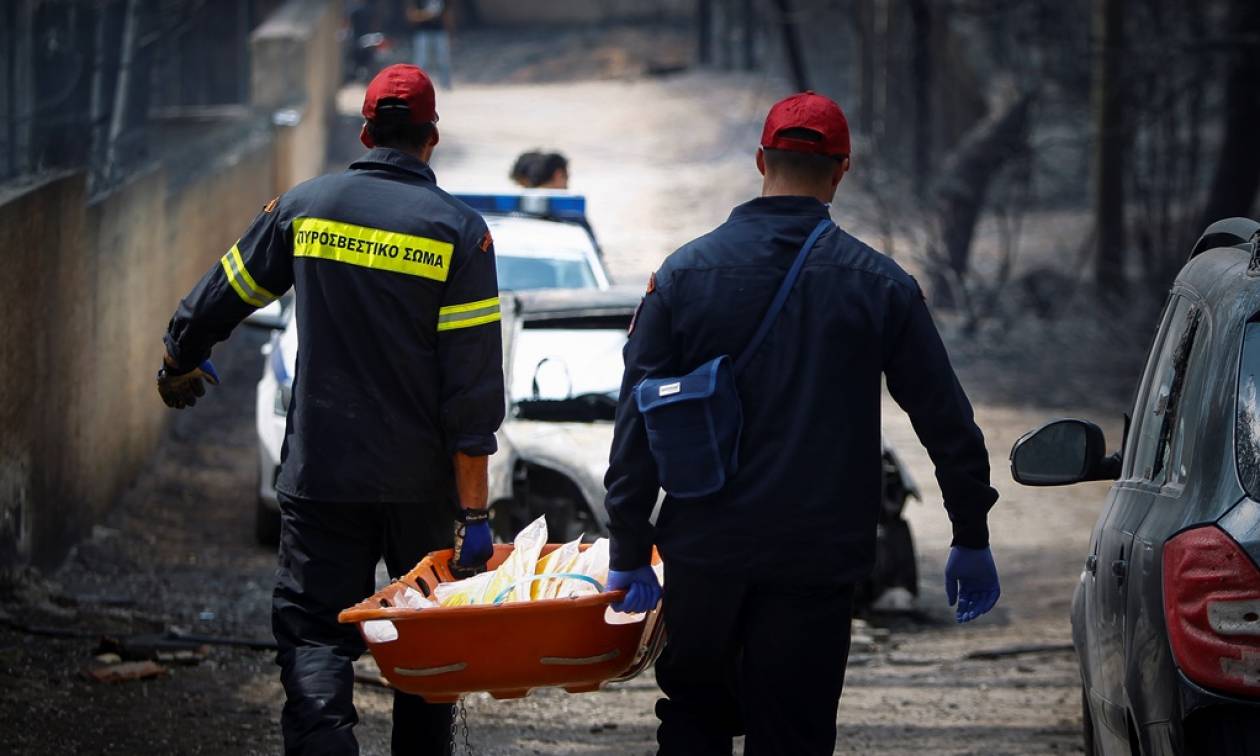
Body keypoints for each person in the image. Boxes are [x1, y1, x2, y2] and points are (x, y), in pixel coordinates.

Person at [602, 91, 1001, 754]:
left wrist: (627, 543)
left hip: (705, 554)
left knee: (695, 717)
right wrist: (970, 532)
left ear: (761, 160)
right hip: (815, 562)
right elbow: (947, 422)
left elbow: (637, 421)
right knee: (794, 734)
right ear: (841, 172)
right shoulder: (880, 286)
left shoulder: (682, 275)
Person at [155, 64, 504, 755]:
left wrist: (179, 360)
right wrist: (474, 516)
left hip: (323, 476)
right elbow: (471, 393)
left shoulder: (306, 207)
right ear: (431, 138)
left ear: (366, 130)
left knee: (316, 637)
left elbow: (221, 294)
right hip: (419, 487)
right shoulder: (460, 234)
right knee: (428, 645)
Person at [406, 0, 453, 89]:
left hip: (440, 32)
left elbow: (447, 15)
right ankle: (417, 86)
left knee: (444, 60)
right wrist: (428, 14)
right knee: (421, 61)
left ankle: (446, 86)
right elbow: (412, 15)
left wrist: (450, 33)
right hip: (422, 32)